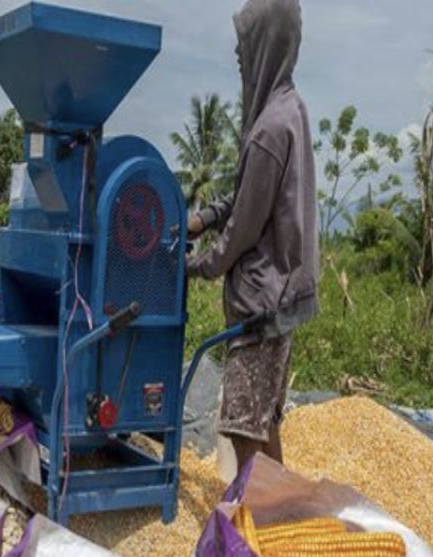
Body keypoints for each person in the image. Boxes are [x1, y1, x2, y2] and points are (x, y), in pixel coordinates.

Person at [187, 0, 318, 473]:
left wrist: (197, 265)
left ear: (266, 44)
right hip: (283, 299)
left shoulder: (268, 129)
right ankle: (284, 524)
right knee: (263, 426)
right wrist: (202, 219)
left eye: (245, 44)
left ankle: (256, 534)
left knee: (242, 435)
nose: (239, 56)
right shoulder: (291, 110)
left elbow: (244, 227)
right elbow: (246, 197)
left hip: (261, 306)